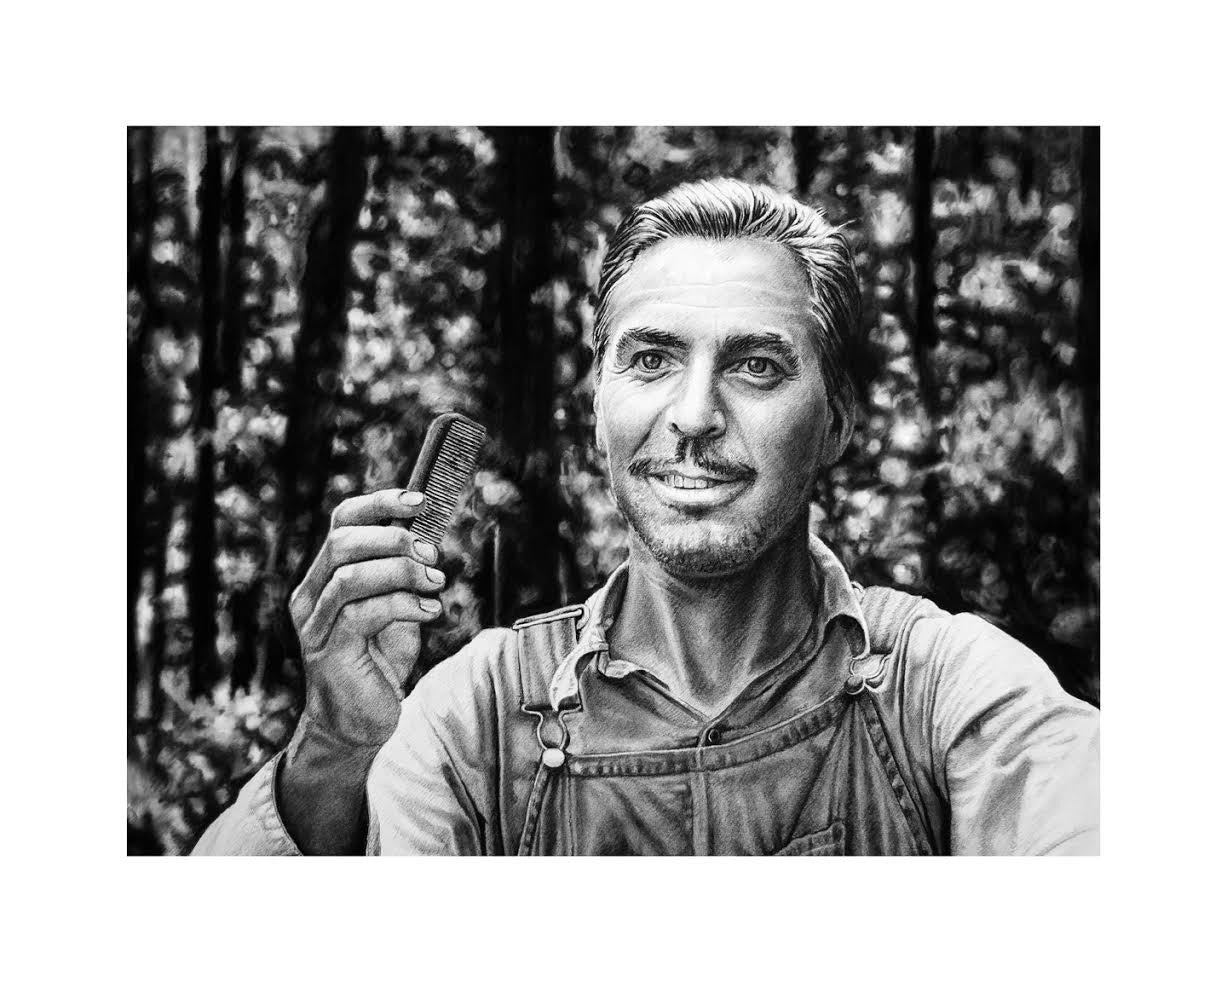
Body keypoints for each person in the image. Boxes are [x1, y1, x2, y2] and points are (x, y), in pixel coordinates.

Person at [193, 178, 1099, 856]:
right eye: (652, 360)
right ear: (597, 407)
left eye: (755, 366)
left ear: (836, 422)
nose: (694, 416)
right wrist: (336, 745)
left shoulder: (949, 693)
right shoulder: (472, 719)